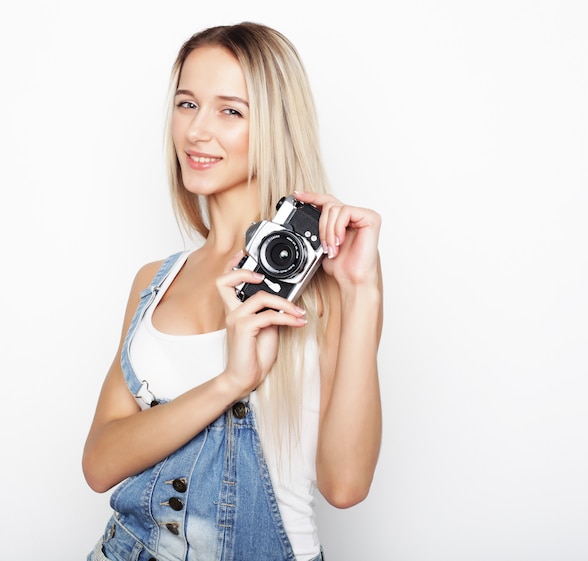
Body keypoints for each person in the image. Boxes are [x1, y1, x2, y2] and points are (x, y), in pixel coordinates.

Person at [83, 21, 383, 561]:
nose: (197, 132)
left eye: (231, 111)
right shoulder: (155, 280)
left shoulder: (326, 289)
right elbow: (100, 463)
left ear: (276, 126)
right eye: (186, 104)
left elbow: (345, 485)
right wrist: (231, 382)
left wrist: (364, 293)